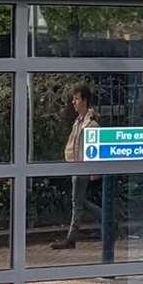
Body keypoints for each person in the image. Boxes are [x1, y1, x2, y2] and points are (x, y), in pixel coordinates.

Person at [53, 84, 101, 250]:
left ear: (85, 100)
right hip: (75, 167)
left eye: (77, 98)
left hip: (82, 168)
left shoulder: (91, 124)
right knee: (79, 202)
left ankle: (71, 239)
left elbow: (95, 148)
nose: (73, 102)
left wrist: (94, 170)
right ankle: (109, 220)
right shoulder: (78, 121)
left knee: (77, 203)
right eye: (73, 98)